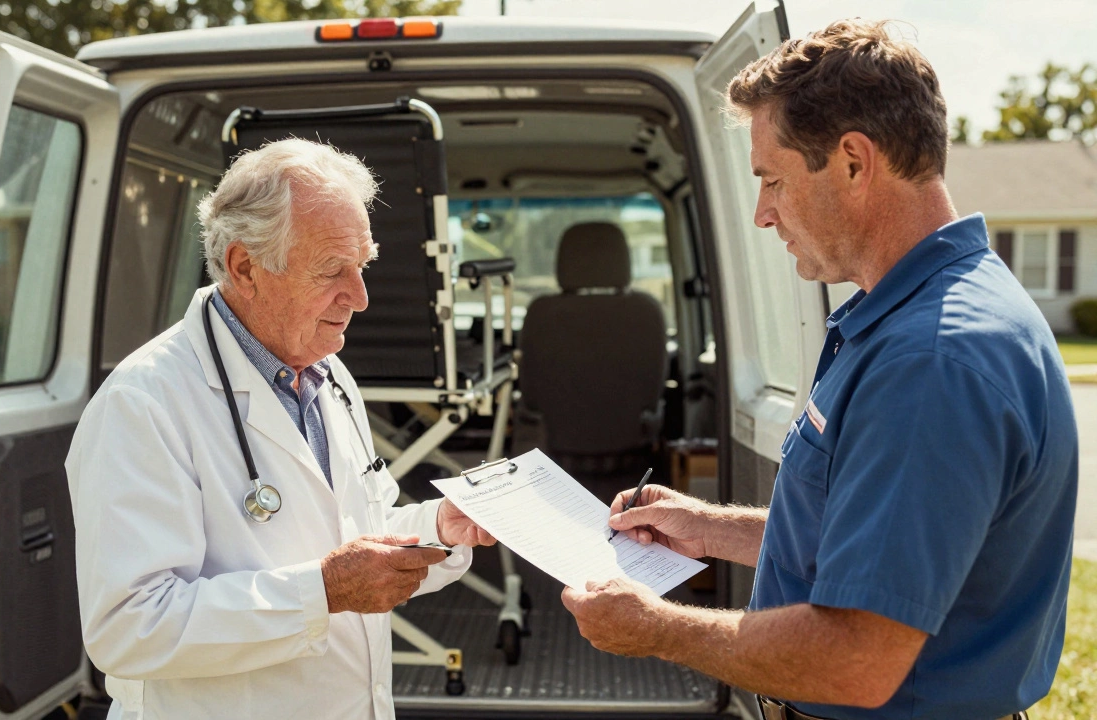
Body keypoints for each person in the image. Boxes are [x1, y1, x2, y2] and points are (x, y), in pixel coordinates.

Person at [561, 19, 1076, 720]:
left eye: (772, 180)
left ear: (854, 163)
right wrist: (709, 527)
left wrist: (655, 627)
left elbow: (856, 659)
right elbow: (870, 537)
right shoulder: (922, 317)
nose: (761, 214)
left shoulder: (931, 360)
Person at [65, 138, 496, 720]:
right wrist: (321, 593)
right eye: (331, 270)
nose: (361, 297)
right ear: (246, 267)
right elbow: (130, 627)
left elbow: (358, 531)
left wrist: (441, 527)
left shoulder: (326, 373)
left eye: (362, 265)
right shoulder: (143, 403)